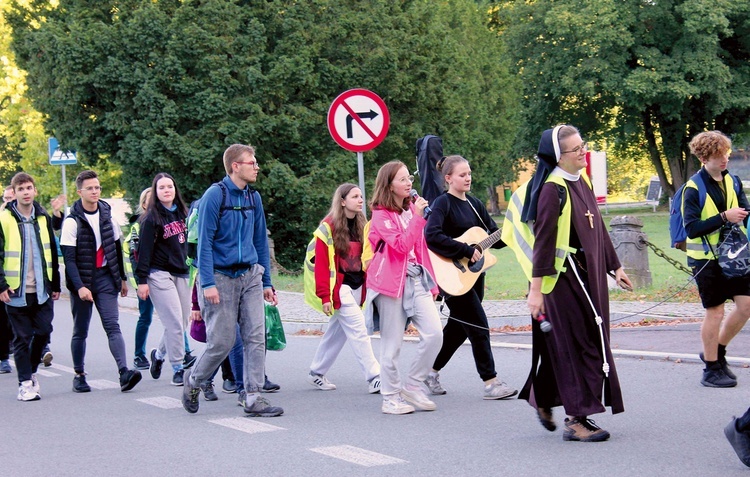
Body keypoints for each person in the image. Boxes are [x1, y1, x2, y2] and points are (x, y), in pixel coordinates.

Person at [503, 125, 631, 442]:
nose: (582, 152)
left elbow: (598, 227)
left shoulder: (581, 180)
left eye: (582, 145)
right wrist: (536, 292)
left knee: (566, 343)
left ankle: (544, 398)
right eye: (575, 149)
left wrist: (615, 266)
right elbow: (544, 243)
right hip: (563, 279)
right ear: (559, 156)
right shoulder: (552, 189)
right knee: (581, 345)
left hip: (589, 276)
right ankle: (576, 420)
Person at [181, 143, 282, 417]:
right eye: (252, 162)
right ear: (235, 166)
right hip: (220, 276)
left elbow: (260, 240)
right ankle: (194, 380)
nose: (257, 166)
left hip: (250, 274)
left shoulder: (254, 198)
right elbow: (204, 243)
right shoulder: (215, 195)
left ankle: (252, 397)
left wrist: (266, 282)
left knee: (255, 337)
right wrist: (207, 283)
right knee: (222, 342)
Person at [424, 155, 516, 400]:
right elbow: (431, 236)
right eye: (462, 174)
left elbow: (494, 236)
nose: (467, 178)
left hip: (473, 277)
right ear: (448, 178)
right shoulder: (443, 203)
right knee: (479, 326)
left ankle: (429, 371)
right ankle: (491, 383)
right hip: (452, 277)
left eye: (469, 174)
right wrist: (466, 250)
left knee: (458, 329)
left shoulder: (475, 203)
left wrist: (516, 230)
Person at [365, 161, 443, 415]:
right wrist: (418, 219)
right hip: (389, 283)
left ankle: (412, 385)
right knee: (392, 346)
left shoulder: (411, 210)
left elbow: (420, 248)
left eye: (409, 178)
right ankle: (390, 398)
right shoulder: (380, 215)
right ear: (389, 185)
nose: (409, 183)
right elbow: (399, 246)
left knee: (434, 333)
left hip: (416, 279)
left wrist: (432, 285)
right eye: (402, 179)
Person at [60, 170, 142, 393]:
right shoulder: (72, 221)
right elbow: (69, 260)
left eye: (97, 187)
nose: (95, 191)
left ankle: (124, 372)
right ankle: (79, 374)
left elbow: (116, 247)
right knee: (81, 330)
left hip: (106, 277)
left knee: (112, 325)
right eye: (90, 188)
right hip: (83, 280)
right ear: (80, 192)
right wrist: (80, 287)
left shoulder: (107, 214)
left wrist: (123, 279)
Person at [683, 130, 750, 388]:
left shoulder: (732, 180)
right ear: (704, 157)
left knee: (746, 306)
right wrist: (724, 216)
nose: (725, 160)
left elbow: (743, 210)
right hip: (705, 260)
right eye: (718, 156)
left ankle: (717, 350)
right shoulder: (693, 188)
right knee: (715, 311)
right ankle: (710, 369)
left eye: (726, 154)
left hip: (733, 256)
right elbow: (691, 228)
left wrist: (738, 214)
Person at [306, 183, 381, 393]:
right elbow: (321, 264)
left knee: (336, 332)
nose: (360, 200)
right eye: (355, 196)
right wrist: (325, 296)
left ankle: (316, 372)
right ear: (342, 201)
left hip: (358, 287)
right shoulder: (328, 227)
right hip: (340, 288)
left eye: (360, 196)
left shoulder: (363, 225)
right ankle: (375, 376)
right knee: (358, 330)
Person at [0, 172, 61, 400]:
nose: (26, 192)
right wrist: (1, 285)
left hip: (42, 290)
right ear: (14, 193)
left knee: (44, 332)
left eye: (29, 188)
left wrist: (55, 283)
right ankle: (25, 383)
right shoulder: (4, 218)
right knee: (22, 338)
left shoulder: (43, 218)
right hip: (16, 290)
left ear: (35, 190)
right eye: (21, 189)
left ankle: (31, 371)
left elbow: (52, 252)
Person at [127, 187, 197, 372]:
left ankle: (158, 355)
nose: (166, 190)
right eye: (162, 188)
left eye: (170, 187)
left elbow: (191, 242)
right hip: (157, 274)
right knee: (164, 321)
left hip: (182, 272)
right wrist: (141, 282)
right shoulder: (147, 220)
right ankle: (177, 367)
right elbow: (139, 254)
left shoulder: (184, 214)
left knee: (181, 322)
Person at [0, 186, 14, 373]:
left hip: (19, 279)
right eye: (6, 198)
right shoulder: (2, 218)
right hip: (2, 278)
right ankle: (3, 358)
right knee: (3, 319)